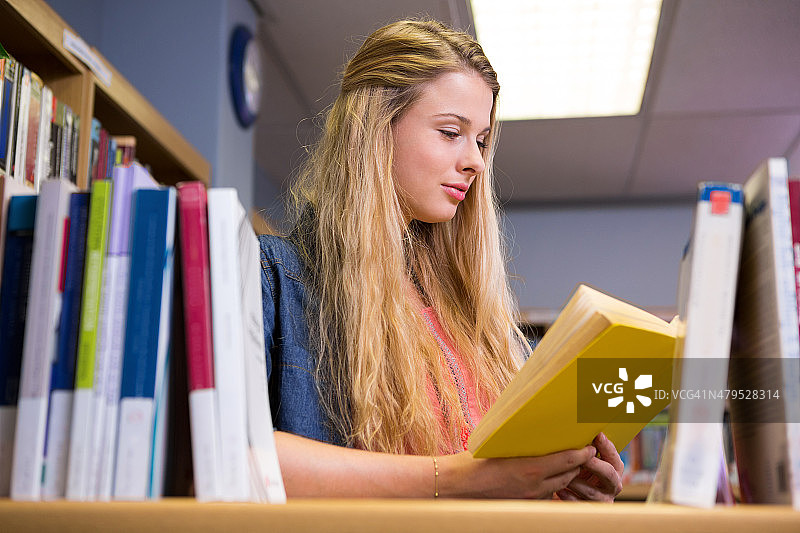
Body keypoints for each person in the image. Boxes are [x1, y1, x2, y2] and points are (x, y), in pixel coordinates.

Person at [259, 19, 623, 500]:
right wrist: (459, 478)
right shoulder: (278, 280)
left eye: (482, 140)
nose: (476, 160)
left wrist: (561, 486)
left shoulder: (481, 322)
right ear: (374, 129)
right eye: (451, 132)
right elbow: (238, 457)